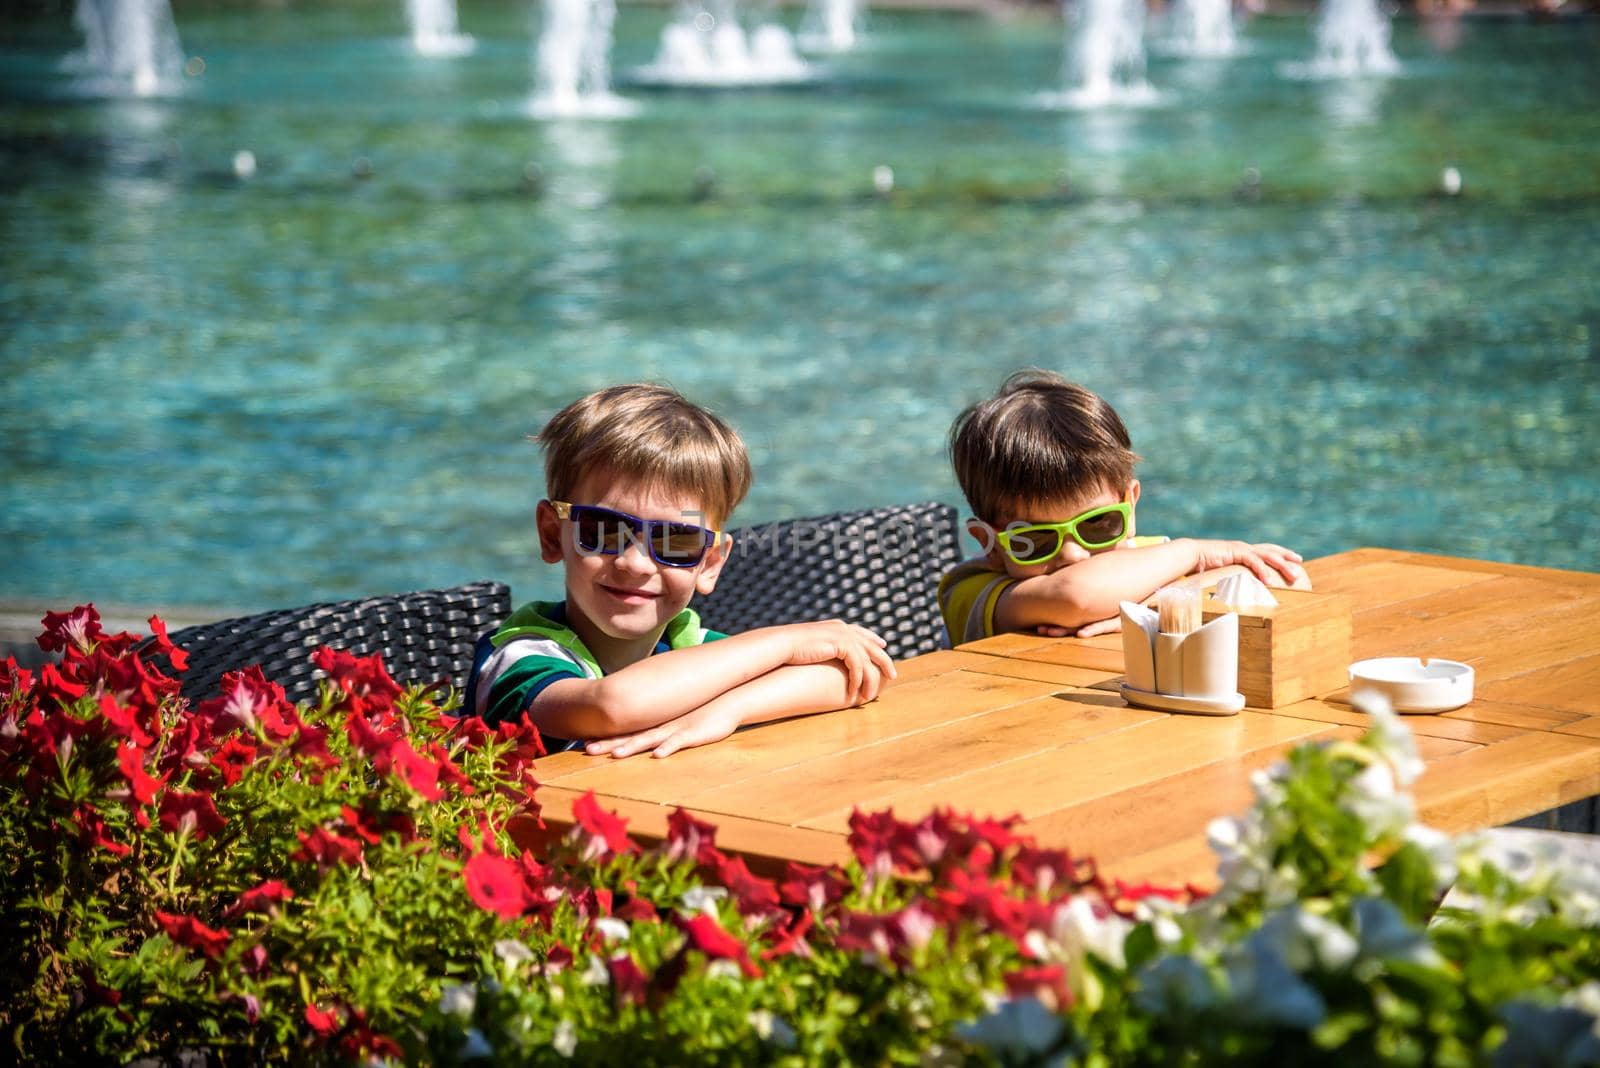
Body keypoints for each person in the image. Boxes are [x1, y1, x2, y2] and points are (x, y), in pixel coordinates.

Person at [465, 384, 895, 759]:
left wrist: (729, 710)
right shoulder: (519, 657)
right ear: (553, 535)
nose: (634, 563)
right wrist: (786, 640)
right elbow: (610, 706)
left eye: (677, 542)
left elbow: (855, 677)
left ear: (709, 563)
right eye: (604, 530)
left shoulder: (686, 643)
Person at [939, 369, 1309, 646]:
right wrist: (1193, 551)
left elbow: (1286, 582)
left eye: (1097, 525)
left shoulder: (1148, 561)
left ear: (1129, 505)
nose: (1074, 555)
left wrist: (1158, 604)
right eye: (1035, 540)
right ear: (988, 542)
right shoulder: (972, 591)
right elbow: (1075, 596)